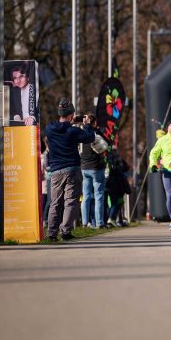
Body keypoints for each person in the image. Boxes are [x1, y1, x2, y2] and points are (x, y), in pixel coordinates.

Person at [45, 98, 95, 241]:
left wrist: (69, 122)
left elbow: (61, 127)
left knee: (55, 202)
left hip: (55, 171)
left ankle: (51, 233)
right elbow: (89, 138)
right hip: (72, 169)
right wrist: (87, 125)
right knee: (70, 201)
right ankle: (65, 231)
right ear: (71, 115)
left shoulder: (50, 128)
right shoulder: (73, 131)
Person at [150, 121, 171, 230]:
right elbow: (154, 153)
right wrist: (153, 164)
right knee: (170, 195)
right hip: (168, 172)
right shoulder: (162, 140)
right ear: (167, 128)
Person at [79, 113, 108, 229]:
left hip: (84, 168)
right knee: (99, 196)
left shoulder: (81, 135)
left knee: (85, 196)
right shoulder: (96, 134)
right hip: (96, 168)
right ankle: (99, 223)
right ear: (94, 123)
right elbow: (105, 146)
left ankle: (84, 223)